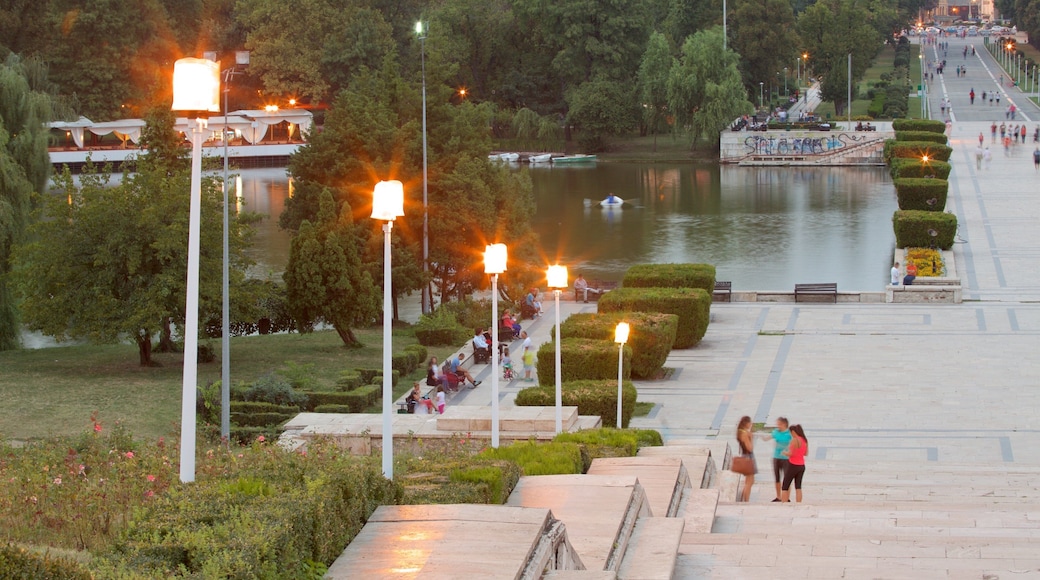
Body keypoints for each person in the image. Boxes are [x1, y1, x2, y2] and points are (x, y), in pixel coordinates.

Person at [759, 417, 791, 502]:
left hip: (786, 459)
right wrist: (760, 435)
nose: (778, 426)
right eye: (777, 424)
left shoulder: (789, 434)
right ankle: (778, 496)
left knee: (787, 478)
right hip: (776, 457)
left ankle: (787, 497)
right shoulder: (776, 432)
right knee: (777, 478)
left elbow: (794, 444)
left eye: (779, 424)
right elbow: (767, 438)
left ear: (784, 424)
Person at [780, 424, 808, 503]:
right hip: (801, 465)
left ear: (793, 432)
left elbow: (791, 453)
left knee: (785, 486)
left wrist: (784, 453)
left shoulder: (795, 440)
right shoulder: (805, 440)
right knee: (798, 486)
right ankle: (798, 503)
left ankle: (784, 502)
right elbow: (806, 453)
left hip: (793, 465)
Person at [736, 416, 757, 502]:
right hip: (748, 457)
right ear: (746, 423)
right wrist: (751, 438)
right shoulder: (744, 434)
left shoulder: (741, 432)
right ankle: (746, 500)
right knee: (749, 481)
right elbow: (750, 448)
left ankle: (744, 498)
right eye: (750, 423)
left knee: (749, 481)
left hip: (745, 456)